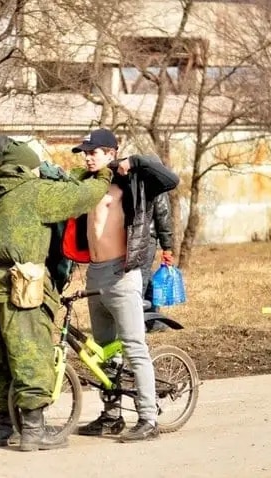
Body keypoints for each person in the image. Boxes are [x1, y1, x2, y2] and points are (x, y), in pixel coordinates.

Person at [0, 135, 112, 451]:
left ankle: (2, 429)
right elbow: (81, 197)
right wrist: (102, 175)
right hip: (20, 285)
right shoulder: (34, 193)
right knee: (30, 354)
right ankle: (33, 431)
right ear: (24, 169)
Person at [0, 144, 75, 428]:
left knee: (26, 351)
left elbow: (61, 233)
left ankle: (24, 422)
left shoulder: (38, 189)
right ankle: (0, 416)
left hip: (29, 281)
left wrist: (55, 282)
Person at [71, 128, 180, 442]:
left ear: (111, 152)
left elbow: (171, 181)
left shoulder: (133, 180)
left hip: (122, 273)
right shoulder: (87, 184)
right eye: (85, 152)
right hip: (95, 273)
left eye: (94, 151)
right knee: (105, 350)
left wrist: (137, 162)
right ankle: (111, 415)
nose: (88, 157)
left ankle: (148, 418)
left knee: (134, 347)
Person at [141, 191, 174, 306]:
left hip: (144, 239)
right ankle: (152, 319)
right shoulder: (157, 183)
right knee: (142, 279)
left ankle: (149, 320)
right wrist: (167, 247)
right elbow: (163, 216)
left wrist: (167, 248)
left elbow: (162, 216)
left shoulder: (156, 185)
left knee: (141, 281)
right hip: (144, 239)